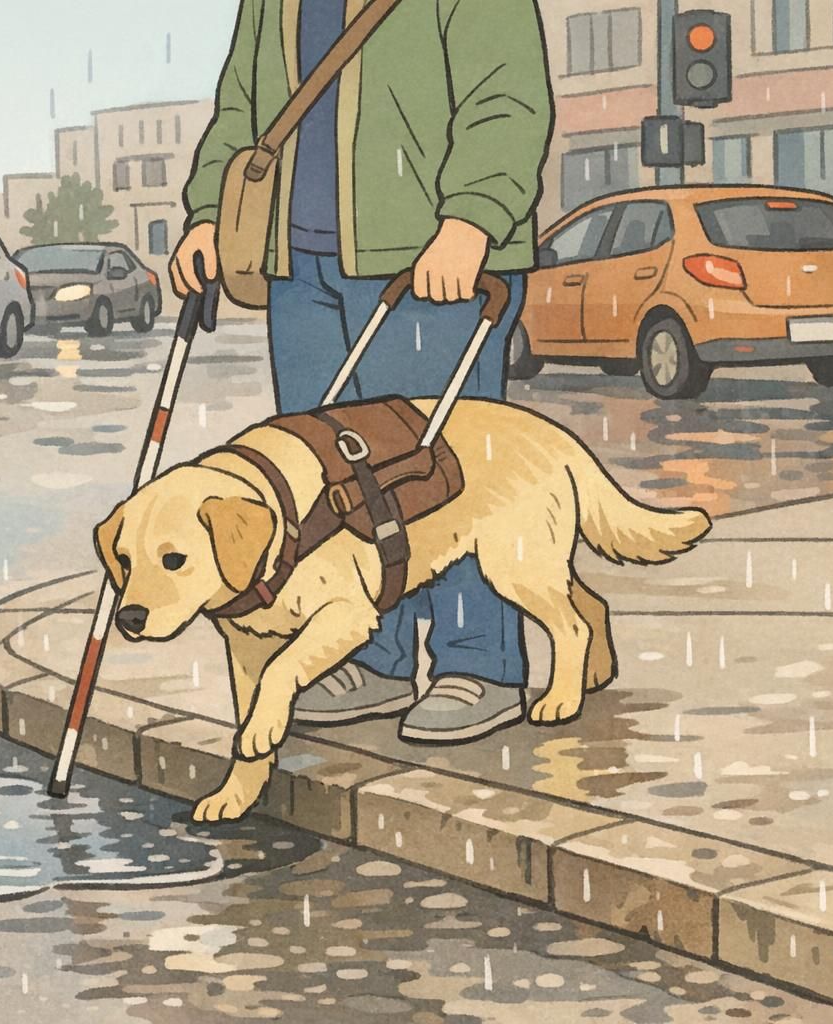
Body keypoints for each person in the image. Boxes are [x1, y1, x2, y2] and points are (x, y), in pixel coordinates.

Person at [173, 0, 554, 744]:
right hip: (299, 266)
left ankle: (479, 661)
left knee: (439, 472)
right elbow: (243, 107)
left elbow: (506, 96)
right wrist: (208, 214)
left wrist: (473, 217)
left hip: (430, 263)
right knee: (333, 481)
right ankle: (370, 652)